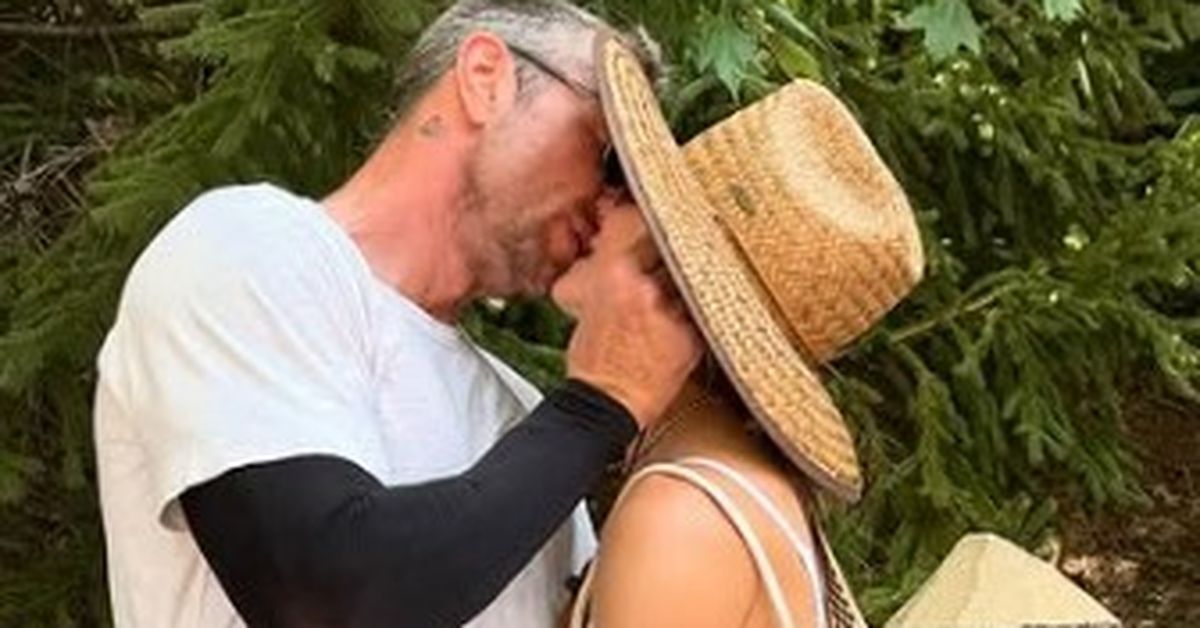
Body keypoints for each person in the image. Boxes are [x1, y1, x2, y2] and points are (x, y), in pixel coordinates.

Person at [92, 2, 701, 627]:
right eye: (609, 156)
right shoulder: (244, 248)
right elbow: (328, 600)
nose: (614, 204)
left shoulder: (522, 416)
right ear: (486, 76)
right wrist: (598, 406)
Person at [559, 36, 927, 627]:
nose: (598, 203)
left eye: (624, 185)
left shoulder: (681, 513)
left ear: (666, 275)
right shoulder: (727, 480)